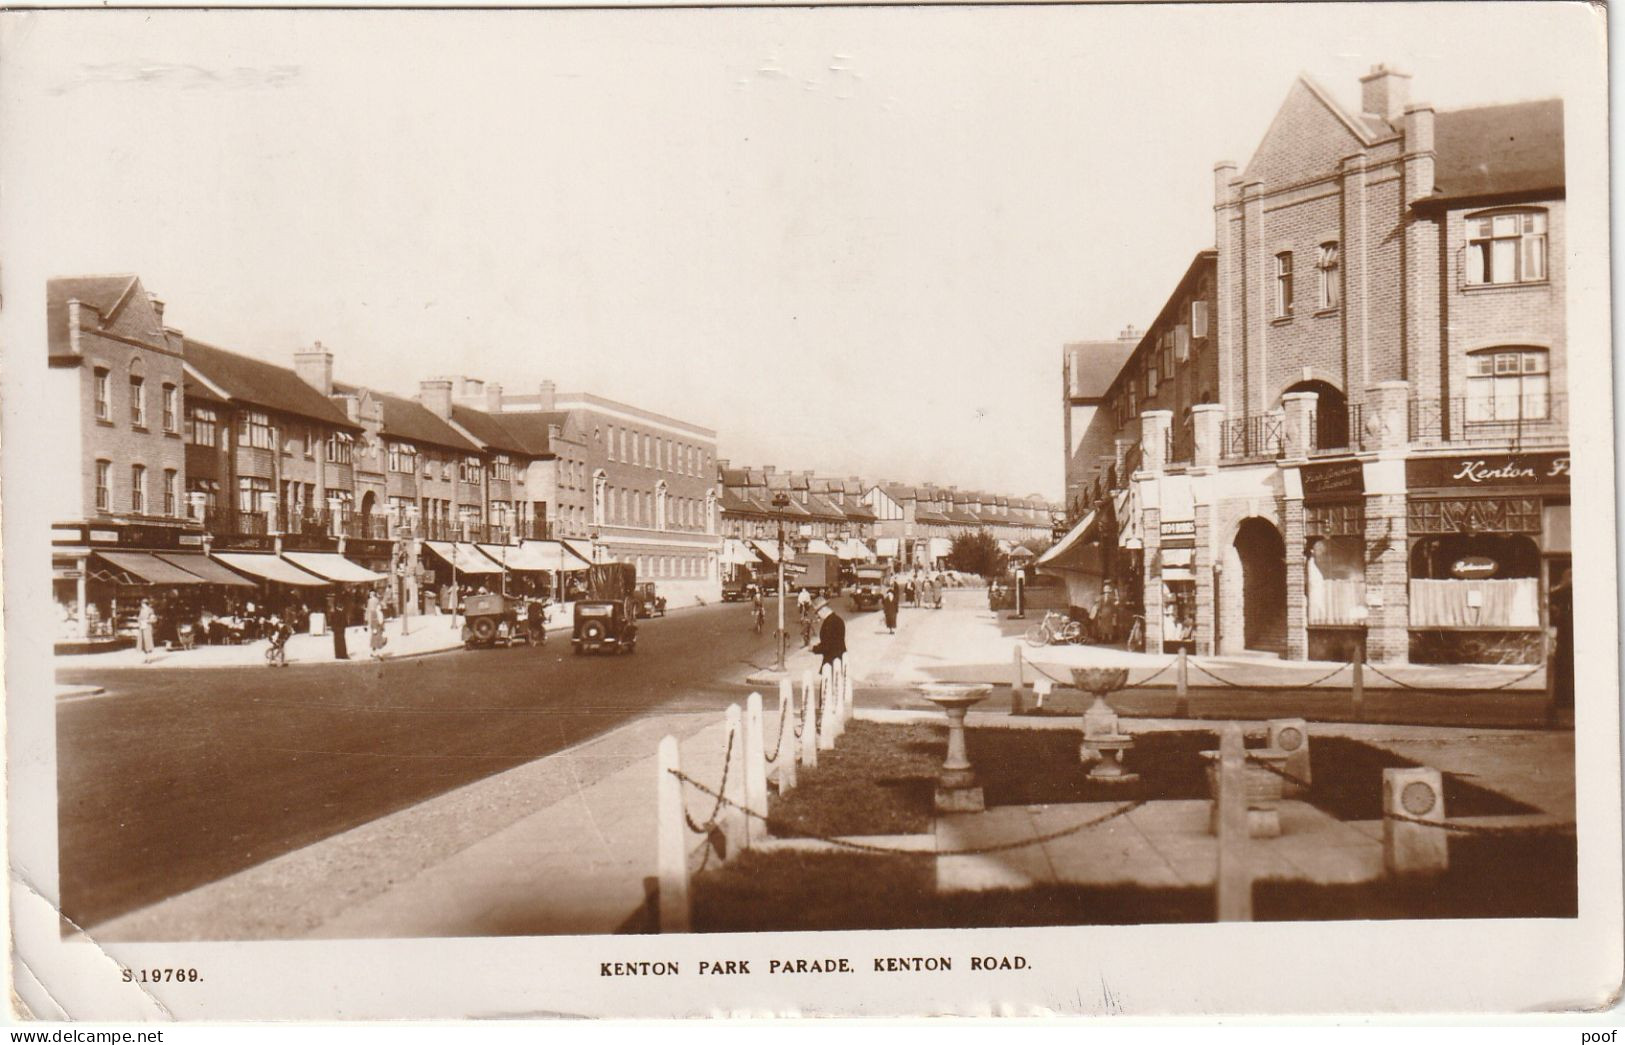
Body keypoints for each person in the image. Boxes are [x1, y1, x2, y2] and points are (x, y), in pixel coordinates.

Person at [810, 596, 846, 672]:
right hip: (839, 658)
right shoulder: (837, 619)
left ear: (823, 610)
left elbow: (827, 646)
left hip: (831, 661)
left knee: (828, 683)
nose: (817, 616)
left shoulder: (829, 623)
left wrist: (813, 648)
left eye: (817, 613)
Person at [366, 588, 386, 659]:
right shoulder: (376, 601)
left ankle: (375, 653)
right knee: (376, 640)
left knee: (375, 639)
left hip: (375, 623)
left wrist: (367, 621)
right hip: (376, 625)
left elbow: (368, 611)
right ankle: (375, 653)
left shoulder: (370, 601)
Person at [329, 592, 349, 660]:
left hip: (335, 629)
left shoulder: (334, 613)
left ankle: (337, 655)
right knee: (342, 642)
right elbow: (345, 622)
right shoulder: (342, 613)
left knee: (336, 642)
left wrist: (333, 628)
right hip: (341, 629)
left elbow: (331, 622)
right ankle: (343, 654)